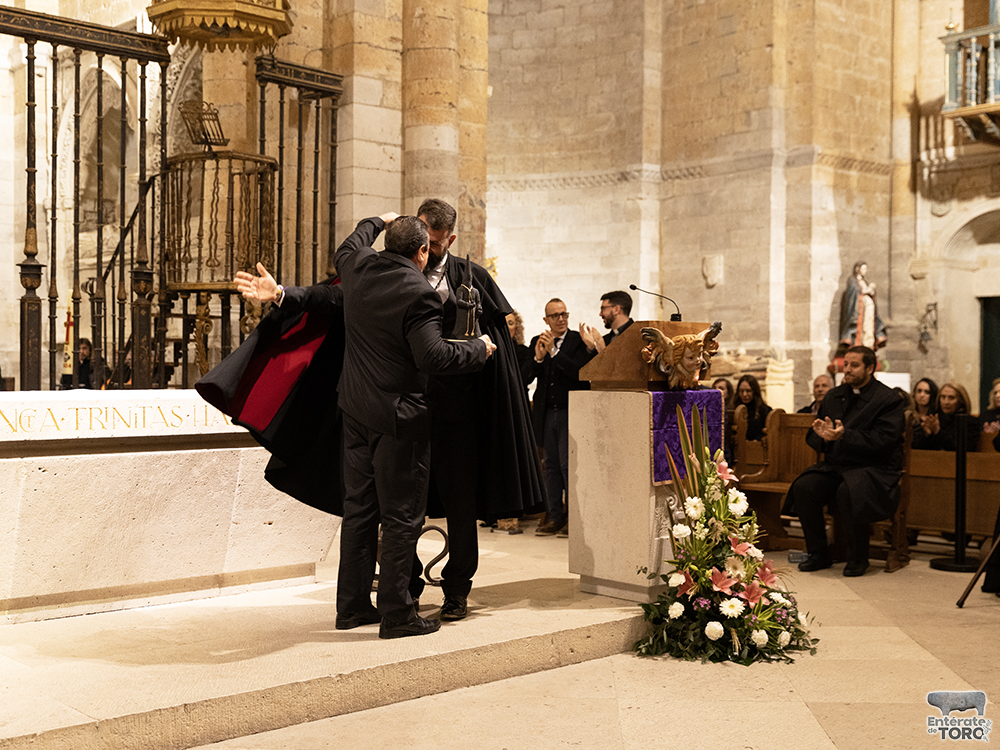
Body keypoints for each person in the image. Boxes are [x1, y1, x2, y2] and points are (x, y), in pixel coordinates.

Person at [236, 213, 496, 639]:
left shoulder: (357, 267)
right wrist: (478, 349)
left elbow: (349, 244)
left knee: (359, 511)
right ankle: (398, 614)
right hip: (399, 419)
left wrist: (377, 220)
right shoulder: (419, 292)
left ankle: (353, 606)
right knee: (402, 517)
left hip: (355, 413)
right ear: (422, 251)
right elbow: (432, 357)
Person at [415, 198, 544, 621]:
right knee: (403, 506)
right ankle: (407, 585)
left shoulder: (472, 278)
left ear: (450, 239)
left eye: (434, 243)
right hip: (408, 408)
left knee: (460, 506)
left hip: (459, 414)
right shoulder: (397, 271)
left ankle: (457, 589)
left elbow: (496, 350)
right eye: (421, 239)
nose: (425, 249)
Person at [788, 346, 906, 577]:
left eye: (854, 365)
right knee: (804, 487)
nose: (847, 369)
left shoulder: (888, 399)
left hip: (874, 469)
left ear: (870, 368)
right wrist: (823, 437)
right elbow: (815, 434)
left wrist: (845, 435)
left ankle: (858, 557)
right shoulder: (834, 396)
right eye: (846, 364)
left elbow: (885, 440)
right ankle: (818, 553)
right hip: (837, 466)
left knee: (849, 491)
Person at [525, 299, 592, 537]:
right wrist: (539, 358)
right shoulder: (538, 341)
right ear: (546, 320)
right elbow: (525, 377)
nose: (561, 319)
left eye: (564, 314)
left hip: (569, 411)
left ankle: (573, 519)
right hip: (546, 413)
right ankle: (554, 516)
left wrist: (554, 352)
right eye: (555, 315)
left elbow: (580, 374)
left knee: (567, 466)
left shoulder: (577, 341)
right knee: (550, 467)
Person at [913, 381, 979, 452]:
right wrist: (928, 435)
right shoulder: (936, 419)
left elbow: (961, 448)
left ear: (960, 401)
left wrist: (938, 432)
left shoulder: (970, 423)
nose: (946, 402)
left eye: (951, 398)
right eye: (943, 397)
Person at [839, 260, 887, 350]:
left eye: (866, 269)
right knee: (859, 327)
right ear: (858, 269)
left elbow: (867, 292)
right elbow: (855, 292)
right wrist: (868, 289)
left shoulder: (864, 281)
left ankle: (868, 346)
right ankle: (858, 345)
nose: (865, 271)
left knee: (868, 326)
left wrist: (871, 290)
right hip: (859, 309)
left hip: (868, 309)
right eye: (863, 268)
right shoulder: (852, 280)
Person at [735, 374, 771, 442]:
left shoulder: (764, 411)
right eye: (741, 391)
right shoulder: (735, 408)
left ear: (754, 391)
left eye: (748, 391)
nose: (744, 394)